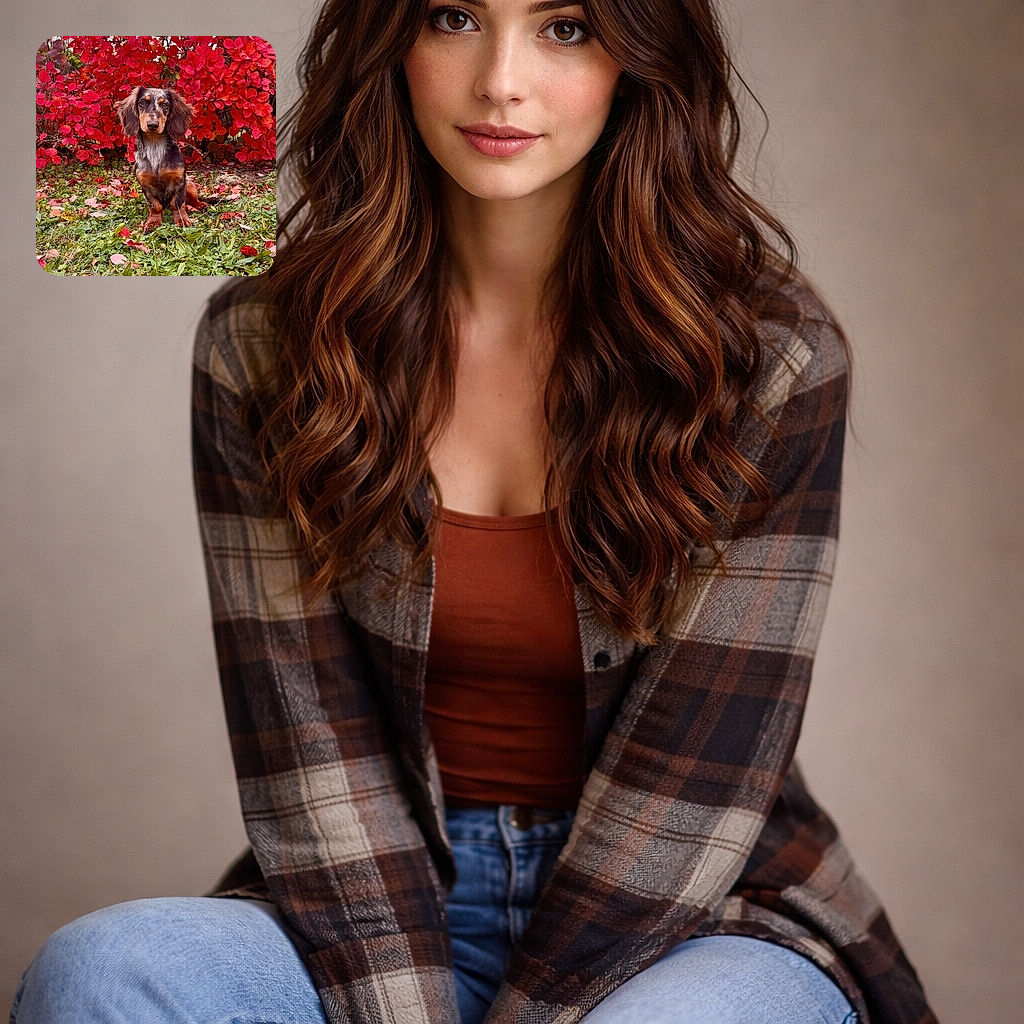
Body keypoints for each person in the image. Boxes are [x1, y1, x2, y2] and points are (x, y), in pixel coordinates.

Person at [11, 1, 939, 1022]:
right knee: (99, 972)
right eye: (453, 16)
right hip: (378, 895)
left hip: (696, 913)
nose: (500, 80)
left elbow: (694, 788)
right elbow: (310, 754)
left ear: (638, 60)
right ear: (389, 43)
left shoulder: (769, 354)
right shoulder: (262, 344)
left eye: (566, 27)